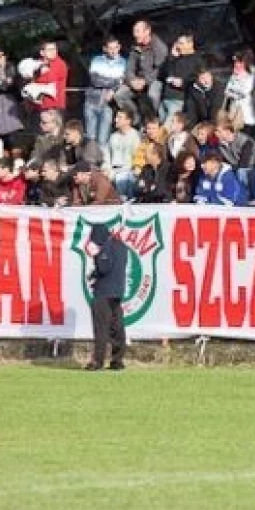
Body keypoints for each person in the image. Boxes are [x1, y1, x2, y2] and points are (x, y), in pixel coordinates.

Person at [84, 222, 127, 371]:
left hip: (103, 292)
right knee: (117, 327)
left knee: (101, 328)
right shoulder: (122, 246)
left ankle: (98, 361)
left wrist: (96, 258)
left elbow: (104, 268)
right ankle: (117, 360)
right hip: (118, 291)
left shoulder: (105, 247)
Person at [116, 19, 168, 122]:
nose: (135, 34)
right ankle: (135, 119)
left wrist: (145, 81)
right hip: (137, 80)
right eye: (134, 31)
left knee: (152, 95)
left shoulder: (159, 47)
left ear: (147, 31)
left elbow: (159, 69)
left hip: (154, 80)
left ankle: (152, 121)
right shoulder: (135, 47)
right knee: (119, 95)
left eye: (137, 31)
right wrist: (132, 80)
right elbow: (129, 67)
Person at [84, 36, 127, 148]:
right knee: (90, 137)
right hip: (91, 101)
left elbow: (122, 81)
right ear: (105, 49)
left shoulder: (123, 63)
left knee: (103, 139)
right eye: (110, 48)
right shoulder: (97, 60)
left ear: (119, 48)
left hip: (108, 104)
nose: (113, 51)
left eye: (115, 48)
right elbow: (95, 80)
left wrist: (113, 85)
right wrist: (113, 82)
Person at [0, 45, 25, 145]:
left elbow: (15, 84)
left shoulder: (11, 67)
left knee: (14, 134)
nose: (1, 58)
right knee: (0, 136)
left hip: (11, 102)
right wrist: (4, 84)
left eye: (3, 55)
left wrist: (4, 84)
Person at [160, 33, 202, 123]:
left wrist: (183, 83)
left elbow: (199, 80)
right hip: (165, 97)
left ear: (190, 44)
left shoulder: (198, 60)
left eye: (181, 43)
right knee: (161, 125)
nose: (178, 46)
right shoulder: (175, 57)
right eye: (178, 43)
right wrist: (171, 57)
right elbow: (162, 74)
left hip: (179, 99)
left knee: (167, 130)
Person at [24, 41, 68, 117]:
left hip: (54, 105)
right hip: (40, 106)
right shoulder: (38, 64)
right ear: (42, 53)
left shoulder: (60, 64)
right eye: (50, 50)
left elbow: (49, 80)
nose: (53, 52)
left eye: (55, 49)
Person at [107, 109, 141, 199]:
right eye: (116, 117)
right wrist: (108, 169)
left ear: (128, 121)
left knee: (124, 177)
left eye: (119, 117)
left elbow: (137, 156)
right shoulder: (113, 137)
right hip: (114, 171)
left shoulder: (135, 136)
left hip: (130, 170)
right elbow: (108, 156)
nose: (115, 120)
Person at [222, 50, 255, 133]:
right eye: (235, 62)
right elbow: (227, 91)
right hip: (235, 114)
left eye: (239, 62)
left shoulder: (252, 74)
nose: (236, 64)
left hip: (248, 115)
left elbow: (244, 92)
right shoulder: (235, 74)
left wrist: (233, 93)